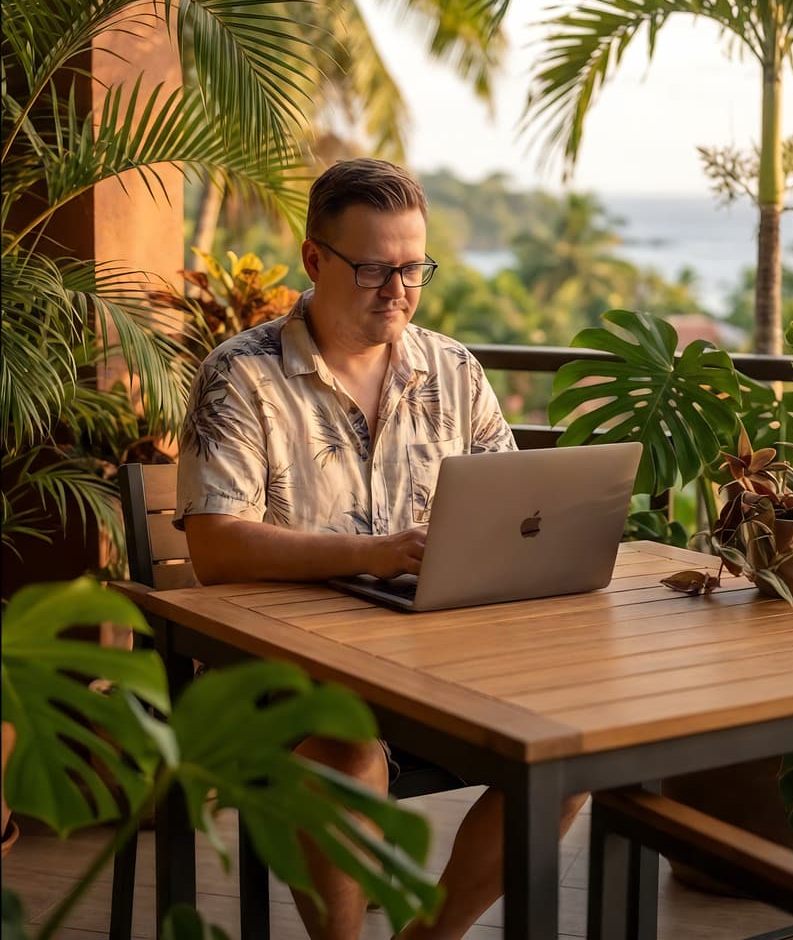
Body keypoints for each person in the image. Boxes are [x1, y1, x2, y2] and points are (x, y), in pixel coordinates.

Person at [174, 158, 586, 940]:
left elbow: (510, 509)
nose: (397, 290)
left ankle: (431, 936)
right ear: (315, 260)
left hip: (431, 659)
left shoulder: (453, 369)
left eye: (412, 268)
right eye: (373, 269)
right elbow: (218, 551)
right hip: (276, 664)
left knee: (563, 760)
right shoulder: (241, 376)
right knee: (349, 754)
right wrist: (377, 552)